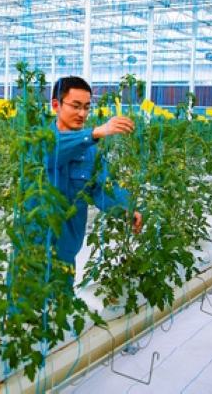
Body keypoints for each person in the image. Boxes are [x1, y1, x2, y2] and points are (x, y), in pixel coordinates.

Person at [48, 76, 142, 276]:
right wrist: (94, 133)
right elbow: (51, 152)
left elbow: (102, 189)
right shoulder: (36, 139)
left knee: (62, 294)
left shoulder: (90, 152)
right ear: (56, 105)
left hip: (66, 251)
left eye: (86, 107)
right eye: (75, 106)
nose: (82, 113)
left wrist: (127, 208)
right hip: (30, 253)